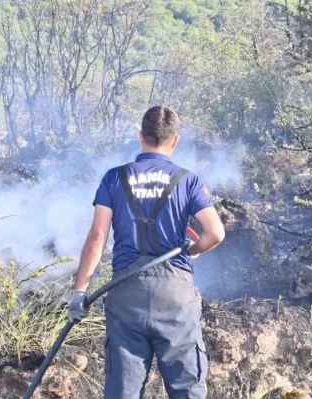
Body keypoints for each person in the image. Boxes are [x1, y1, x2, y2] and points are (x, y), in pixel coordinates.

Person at [68, 105, 226, 399]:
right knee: (188, 390)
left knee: (123, 392)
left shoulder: (114, 178)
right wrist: (191, 251)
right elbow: (216, 233)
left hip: (127, 294)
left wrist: (80, 293)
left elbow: (97, 236)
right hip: (175, 296)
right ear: (175, 140)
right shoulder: (187, 180)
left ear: (140, 136)